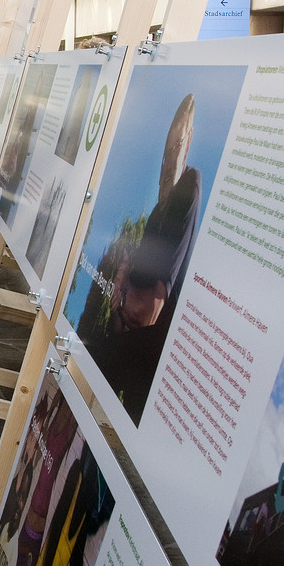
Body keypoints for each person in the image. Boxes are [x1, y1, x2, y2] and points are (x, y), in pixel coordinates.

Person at [86, 94, 200, 425]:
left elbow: (155, 290)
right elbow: (129, 300)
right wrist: (123, 288)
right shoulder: (156, 216)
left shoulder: (187, 188)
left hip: (147, 353)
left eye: (175, 150)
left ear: (187, 144)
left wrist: (128, 293)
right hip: (134, 348)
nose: (167, 165)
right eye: (165, 156)